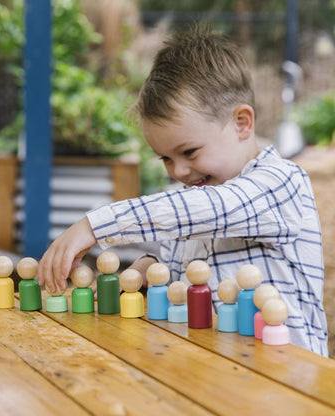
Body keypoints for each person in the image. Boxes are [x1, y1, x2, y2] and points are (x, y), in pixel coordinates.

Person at [39, 23, 327, 356]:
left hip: (290, 384)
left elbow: (217, 209)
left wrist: (96, 224)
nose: (178, 171)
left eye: (189, 152)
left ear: (241, 123)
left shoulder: (280, 183)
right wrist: (146, 272)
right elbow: (184, 257)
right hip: (216, 376)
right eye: (165, 158)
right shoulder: (192, 202)